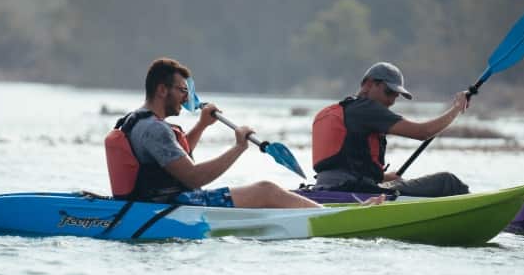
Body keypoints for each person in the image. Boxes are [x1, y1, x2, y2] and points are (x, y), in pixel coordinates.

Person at [105, 57, 324, 209]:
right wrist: (238, 147)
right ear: (162, 90)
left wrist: (202, 125)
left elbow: (176, 156)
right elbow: (193, 177)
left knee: (268, 193)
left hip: (159, 201)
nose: (186, 98)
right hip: (175, 205)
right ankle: (325, 216)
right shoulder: (155, 129)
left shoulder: (138, 120)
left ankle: (317, 210)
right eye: (182, 90)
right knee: (266, 190)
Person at [311, 62, 471, 197]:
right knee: (448, 182)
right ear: (368, 84)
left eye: (396, 96)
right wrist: (457, 108)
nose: (391, 101)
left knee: (399, 182)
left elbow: (347, 164)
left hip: (328, 188)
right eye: (388, 92)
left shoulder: (344, 110)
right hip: (356, 191)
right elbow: (423, 132)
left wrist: (384, 177)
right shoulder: (367, 109)